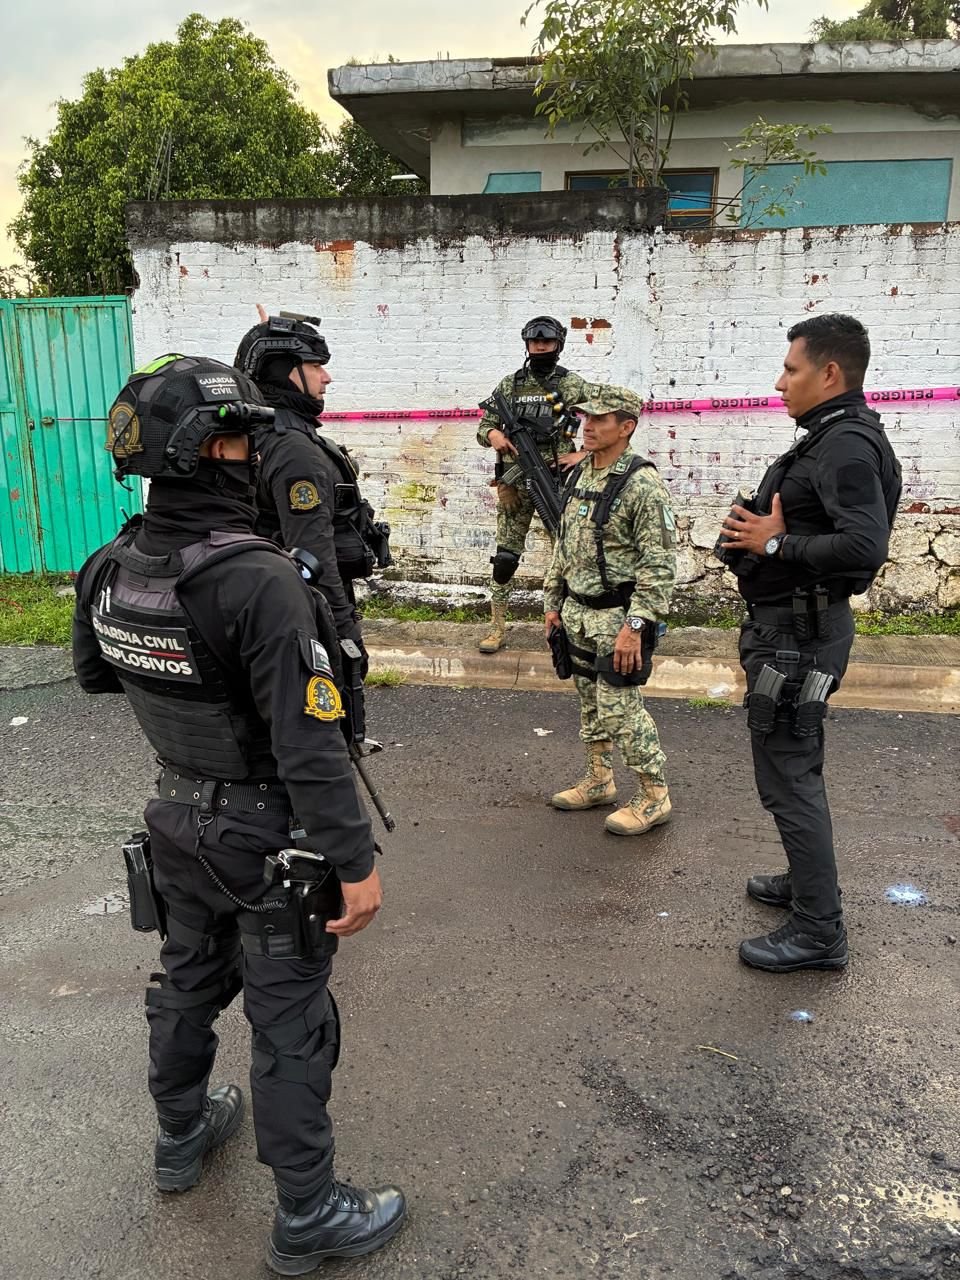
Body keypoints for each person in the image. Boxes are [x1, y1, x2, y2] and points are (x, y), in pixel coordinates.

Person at [72, 354, 406, 1274]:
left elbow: (97, 676)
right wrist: (354, 862)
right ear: (209, 450)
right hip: (266, 839)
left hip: (175, 818)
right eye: (239, 441)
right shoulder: (257, 578)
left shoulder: (109, 565)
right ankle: (309, 1213)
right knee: (290, 1016)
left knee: (186, 979)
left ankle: (180, 1136)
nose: (252, 456)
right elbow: (309, 746)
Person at [718, 314, 902, 973]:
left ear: (828, 373)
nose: (779, 382)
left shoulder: (845, 445)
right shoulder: (833, 437)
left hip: (798, 639)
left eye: (790, 369)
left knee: (788, 777)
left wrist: (775, 545)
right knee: (798, 765)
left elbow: (864, 546)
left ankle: (820, 931)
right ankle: (806, 884)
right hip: (794, 632)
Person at [544, 384, 677, 836]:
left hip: (618, 620)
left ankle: (654, 794)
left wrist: (635, 627)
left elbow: (659, 565)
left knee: (619, 707)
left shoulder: (642, 484)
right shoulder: (581, 473)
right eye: (587, 418)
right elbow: (564, 545)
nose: (588, 426)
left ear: (626, 427)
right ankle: (599, 780)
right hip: (578, 614)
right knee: (590, 705)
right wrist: (553, 603)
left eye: (600, 419)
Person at [234, 309, 391, 659]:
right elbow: (312, 554)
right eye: (316, 366)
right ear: (284, 372)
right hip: (301, 615)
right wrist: (343, 633)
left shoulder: (258, 432)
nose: (327, 377)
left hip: (270, 605)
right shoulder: (292, 449)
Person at [476, 316, 589, 653]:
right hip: (514, 484)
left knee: (565, 555)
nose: (540, 346)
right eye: (535, 341)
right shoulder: (510, 385)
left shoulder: (570, 384)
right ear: (527, 344)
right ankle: (496, 627)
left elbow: (610, 416)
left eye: (547, 341)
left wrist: (583, 453)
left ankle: (563, 626)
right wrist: (493, 434)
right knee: (505, 558)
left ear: (558, 344)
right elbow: (484, 425)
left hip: (556, 483)